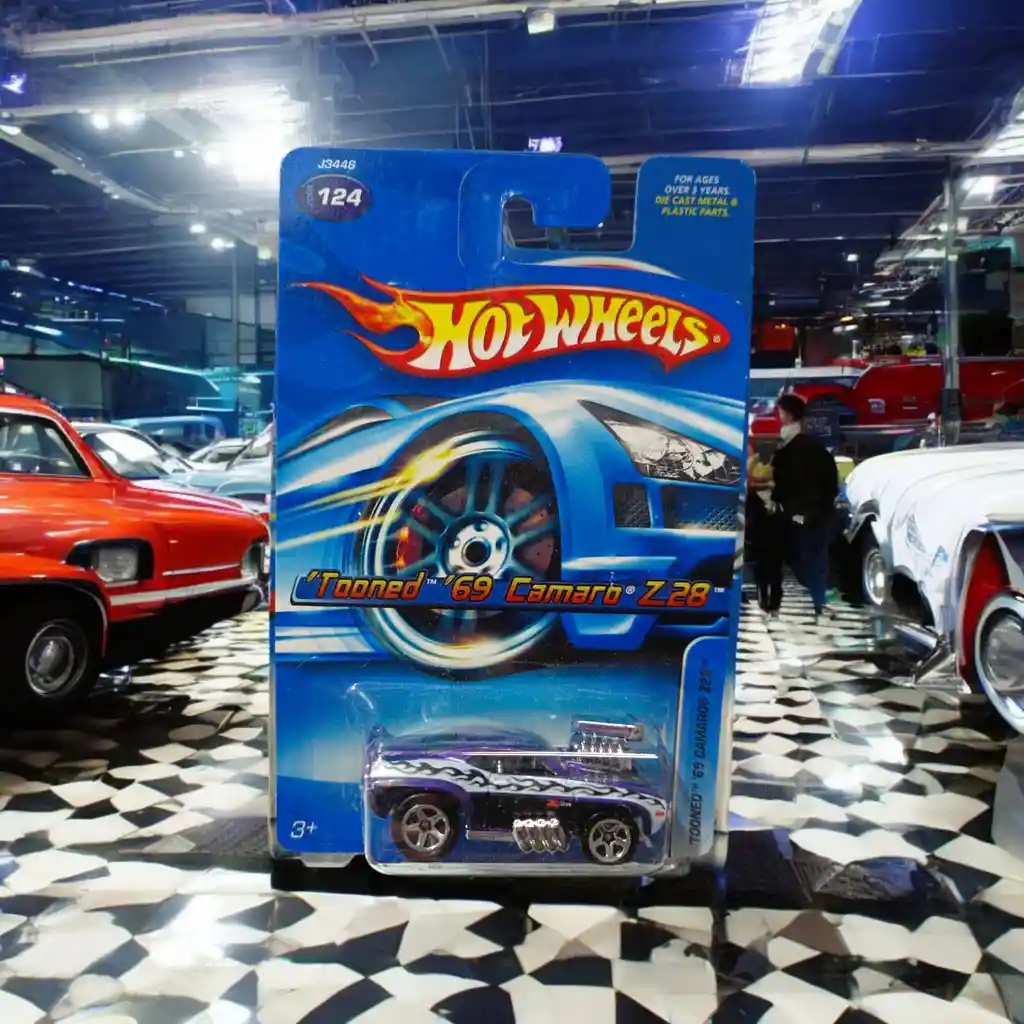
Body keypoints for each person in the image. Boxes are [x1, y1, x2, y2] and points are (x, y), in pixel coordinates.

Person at [770, 394, 839, 619]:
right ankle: (820, 601)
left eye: (780, 412)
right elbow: (832, 481)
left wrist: (781, 503)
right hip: (822, 513)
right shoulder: (817, 447)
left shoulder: (788, 450)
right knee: (818, 560)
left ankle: (818, 598)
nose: (779, 416)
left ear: (788, 415)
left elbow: (782, 485)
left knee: (801, 558)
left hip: (799, 515)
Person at [745, 440, 784, 616]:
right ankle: (766, 601)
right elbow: (748, 483)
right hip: (761, 526)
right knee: (763, 566)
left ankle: (772, 601)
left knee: (770, 566)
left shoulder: (777, 466)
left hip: (772, 525)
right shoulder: (752, 465)